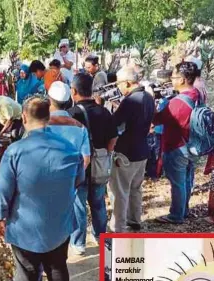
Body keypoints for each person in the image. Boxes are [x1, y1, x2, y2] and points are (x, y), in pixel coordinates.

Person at [0, 95, 84, 281]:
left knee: (27, 272)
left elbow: (2, 190)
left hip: (24, 229)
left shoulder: (14, 152)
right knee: (57, 267)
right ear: (48, 117)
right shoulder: (71, 150)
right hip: (60, 226)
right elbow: (77, 181)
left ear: (24, 117)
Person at [67, 73, 118, 255]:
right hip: (100, 166)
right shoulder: (104, 111)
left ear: (73, 91)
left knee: (79, 206)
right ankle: (100, 237)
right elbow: (113, 137)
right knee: (98, 204)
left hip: (79, 167)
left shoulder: (71, 115)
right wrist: (105, 154)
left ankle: (79, 243)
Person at [153, 62, 201, 224]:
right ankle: (183, 210)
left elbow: (158, 119)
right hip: (193, 146)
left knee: (178, 183)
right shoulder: (196, 95)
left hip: (176, 148)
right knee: (187, 179)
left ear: (181, 80)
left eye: (173, 77)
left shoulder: (177, 103)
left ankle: (176, 215)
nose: (171, 80)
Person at [108, 66, 155, 232]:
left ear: (127, 83)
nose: (118, 88)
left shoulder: (130, 100)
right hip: (142, 149)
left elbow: (114, 123)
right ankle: (135, 220)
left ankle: (118, 226)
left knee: (120, 191)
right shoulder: (148, 97)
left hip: (126, 152)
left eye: (119, 84)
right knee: (136, 189)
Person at [48, 81, 91, 169]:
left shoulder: (39, 125)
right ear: (68, 102)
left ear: (49, 100)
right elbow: (86, 159)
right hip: (71, 179)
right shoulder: (80, 128)